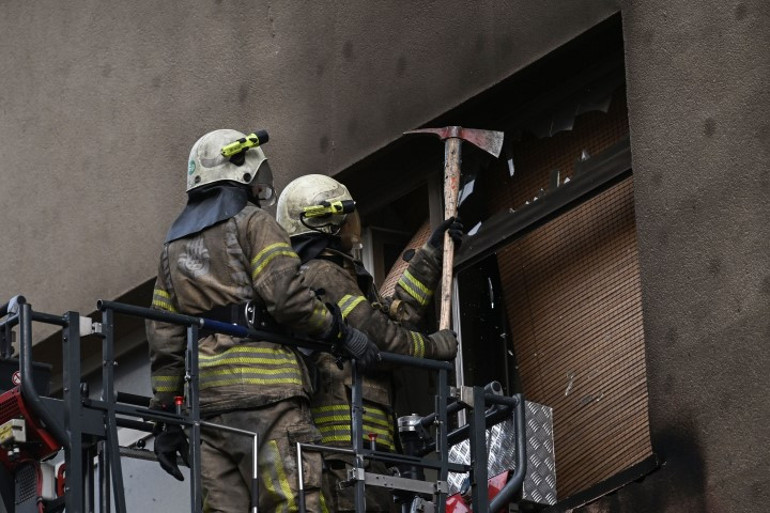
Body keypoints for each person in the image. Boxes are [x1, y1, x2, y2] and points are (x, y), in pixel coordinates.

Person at [146, 129, 379, 513]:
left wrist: (167, 415)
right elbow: (287, 298)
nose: (259, 189)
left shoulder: (172, 250)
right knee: (293, 502)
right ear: (240, 172)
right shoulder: (254, 224)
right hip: (268, 398)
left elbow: (164, 337)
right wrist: (340, 332)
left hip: (210, 409)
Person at [275, 174, 461, 512]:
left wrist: (432, 256)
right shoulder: (322, 273)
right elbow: (382, 341)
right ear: (326, 224)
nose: (352, 227)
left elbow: (394, 319)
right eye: (346, 219)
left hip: (362, 445)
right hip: (344, 448)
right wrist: (434, 348)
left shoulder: (338, 274)